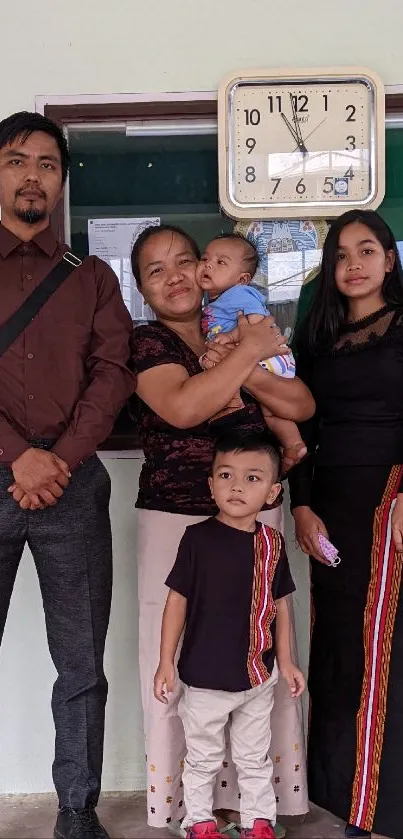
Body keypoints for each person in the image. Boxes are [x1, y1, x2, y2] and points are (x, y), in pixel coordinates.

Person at [130, 224, 314, 834]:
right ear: (143, 290)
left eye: (186, 259)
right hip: (171, 515)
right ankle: (189, 807)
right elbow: (184, 407)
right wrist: (247, 351)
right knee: (178, 657)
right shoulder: (149, 342)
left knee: (259, 648)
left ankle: (258, 804)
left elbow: (302, 404)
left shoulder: (233, 323)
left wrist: (242, 363)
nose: (177, 274)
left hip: (252, 513)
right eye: (156, 270)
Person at [0, 112, 134, 839]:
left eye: (47, 164)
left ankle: (76, 812)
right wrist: (17, 454)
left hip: (72, 483)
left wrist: (60, 457)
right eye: (17, 160)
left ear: (60, 181)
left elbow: (112, 376)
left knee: (80, 663)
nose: (32, 174)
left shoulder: (94, 279)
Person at [289, 209, 403, 839]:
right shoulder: (316, 336)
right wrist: (301, 505)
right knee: (336, 646)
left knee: (380, 647)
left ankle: (379, 805)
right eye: (341, 254)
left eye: (367, 250)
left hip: (388, 501)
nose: (354, 264)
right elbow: (301, 431)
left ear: (390, 259)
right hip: (329, 505)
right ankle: (345, 797)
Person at [154, 430, 306, 839]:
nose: (237, 486)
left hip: (258, 675)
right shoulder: (198, 539)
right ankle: (199, 821)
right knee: (203, 757)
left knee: (254, 757)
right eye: (226, 475)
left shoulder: (272, 544)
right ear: (211, 483)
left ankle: (259, 822)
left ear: (273, 492)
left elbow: (281, 605)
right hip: (204, 677)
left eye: (253, 478)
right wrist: (165, 662)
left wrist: (288, 661)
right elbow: (176, 603)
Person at [198, 234, 305, 473]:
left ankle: (235, 409)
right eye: (205, 258)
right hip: (262, 360)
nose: (208, 264)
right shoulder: (214, 301)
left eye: (220, 262)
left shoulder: (239, 294)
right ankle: (293, 444)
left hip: (268, 358)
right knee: (271, 411)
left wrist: (231, 337)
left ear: (242, 279)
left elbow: (260, 327)